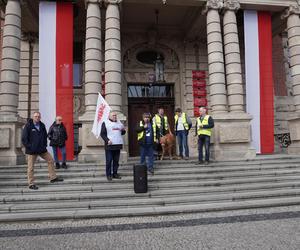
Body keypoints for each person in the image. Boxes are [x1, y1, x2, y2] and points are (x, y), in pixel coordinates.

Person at [21, 111, 64, 190]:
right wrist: (30, 147)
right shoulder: (28, 126)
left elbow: (45, 136)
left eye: (38, 116)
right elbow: (24, 139)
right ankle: (31, 184)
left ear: (40, 117)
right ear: (33, 117)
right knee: (30, 167)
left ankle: (53, 178)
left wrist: (44, 145)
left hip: (41, 149)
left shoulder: (42, 125)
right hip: (32, 151)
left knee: (51, 160)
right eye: (35, 116)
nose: (37, 118)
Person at [100, 111, 126, 181]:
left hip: (117, 145)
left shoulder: (119, 122)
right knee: (109, 161)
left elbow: (122, 132)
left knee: (116, 161)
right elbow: (102, 134)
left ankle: (115, 173)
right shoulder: (105, 123)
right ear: (109, 116)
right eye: (113, 115)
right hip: (109, 145)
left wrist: (123, 130)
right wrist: (107, 140)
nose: (115, 117)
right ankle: (108, 174)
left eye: (115, 115)